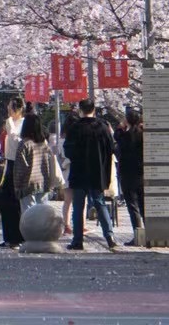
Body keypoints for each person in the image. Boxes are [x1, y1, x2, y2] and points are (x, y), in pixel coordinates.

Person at [63, 99, 119, 251]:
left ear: (80, 110)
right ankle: (110, 237)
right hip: (97, 172)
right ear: (94, 109)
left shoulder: (75, 128)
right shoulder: (102, 127)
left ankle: (77, 240)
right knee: (100, 204)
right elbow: (111, 149)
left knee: (78, 206)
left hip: (79, 172)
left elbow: (67, 150)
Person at [0, 99, 28, 249]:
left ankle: (17, 236)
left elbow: (18, 142)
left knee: (15, 202)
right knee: (5, 202)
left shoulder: (23, 123)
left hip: (18, 164)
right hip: (8, 163)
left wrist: (10, 125)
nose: (8, 109)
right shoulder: (9, 123)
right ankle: (8, 236)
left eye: (10, 107)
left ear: (18, 109)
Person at [115, 108, 146, 245]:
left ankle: (137, 235)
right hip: (141, 173)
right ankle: (150, 233)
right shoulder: (143, 135)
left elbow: (116, 141)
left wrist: (120, 128)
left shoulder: (124, 136)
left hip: (127, 173)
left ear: (127, 120)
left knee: (132, 206)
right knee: (143, 205)